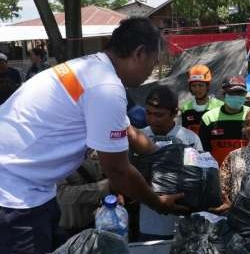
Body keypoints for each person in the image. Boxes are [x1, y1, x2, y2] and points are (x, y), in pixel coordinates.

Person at [0, 17, 188, 254]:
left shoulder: (91, 68)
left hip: (32, 186)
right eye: (154, 62)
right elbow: (118, 173)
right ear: (139, 53)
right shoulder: (105, 88)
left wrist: (170, 154)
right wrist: (158, 203)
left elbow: (131, 133)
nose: (152, 69)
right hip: (13, 194)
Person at [138, 85, 203, 241]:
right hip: (148, 224)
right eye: (148, 113)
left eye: (159, 115)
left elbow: (199, 180)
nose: (152, 119)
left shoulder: (190, 139)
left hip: (182, 224)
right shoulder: (138, 138)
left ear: (174, 113)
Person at [56, 149, 111, 240]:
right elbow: (62, 195)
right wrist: (105, 187)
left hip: (95, 219)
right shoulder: (48, 159)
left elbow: (91, 169)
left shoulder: (80, 144)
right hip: (69, 230)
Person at [199, 75, 249, 166]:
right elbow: (203, 151)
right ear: (224, 94)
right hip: (217, 173)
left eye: (240, 93)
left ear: (245, 95)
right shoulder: (209, 118)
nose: (237, 96)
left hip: (247, 174)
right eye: (232, 93)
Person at [180, 64, 223, 134]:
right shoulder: (186, 109)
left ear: (207, 86)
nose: (197, 89)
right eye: (194, 86)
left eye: (201, 85)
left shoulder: (219, 107)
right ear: (190, 87)